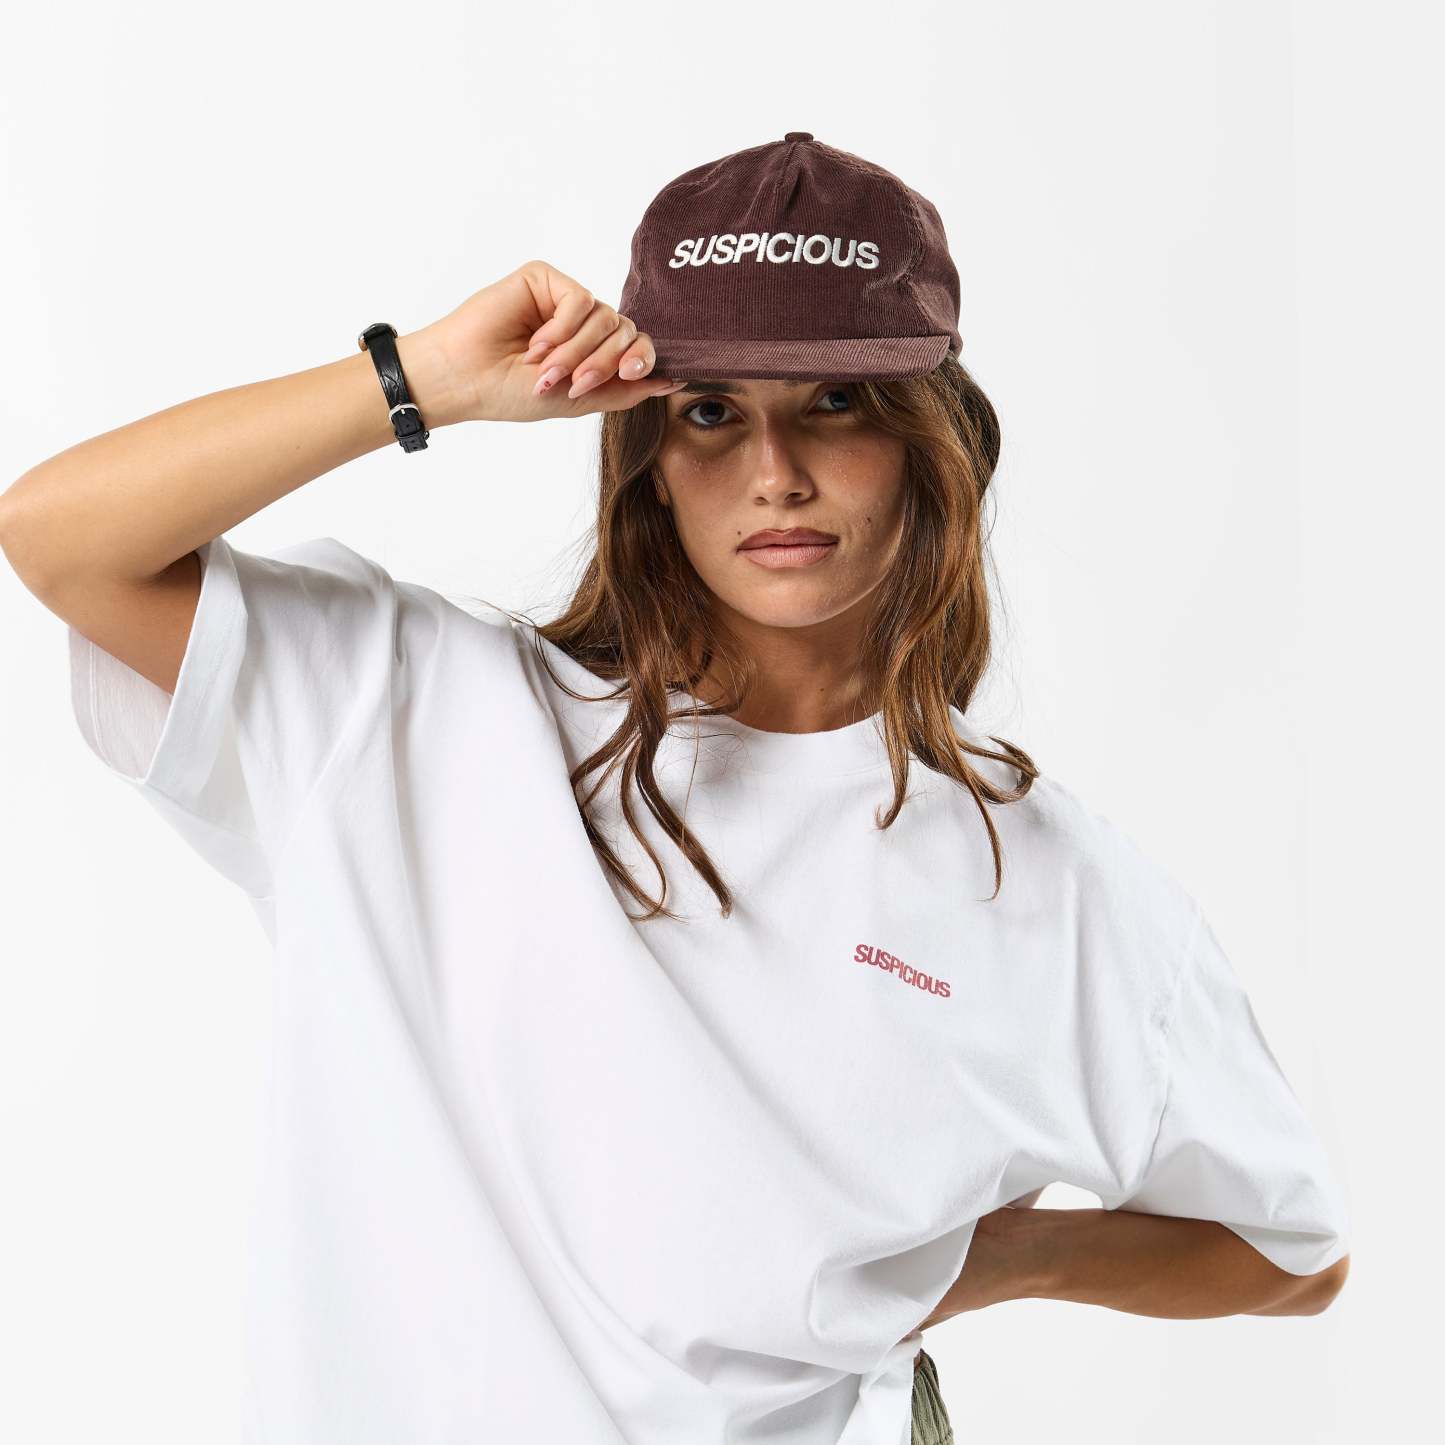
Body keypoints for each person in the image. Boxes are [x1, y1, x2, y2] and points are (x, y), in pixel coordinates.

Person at [0, 133, 1350, 1445]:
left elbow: (1289, 1251)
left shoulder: (1045, 878)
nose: (775, 473)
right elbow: (61, 539)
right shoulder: (412, 714)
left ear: (929, 441)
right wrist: (423, 381)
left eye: (837, 404)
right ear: (643, 451)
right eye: (711, 411)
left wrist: (998, 1260)